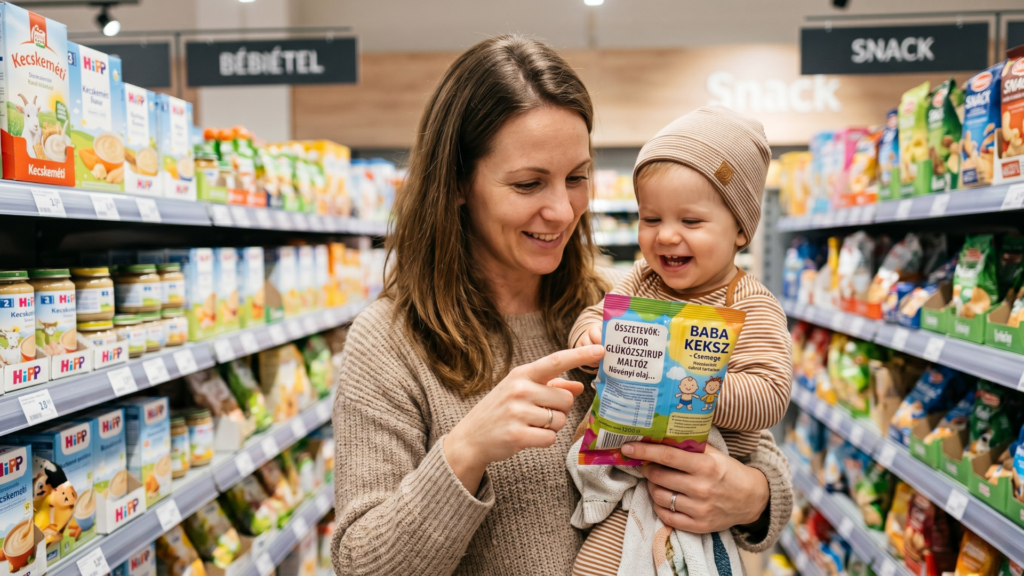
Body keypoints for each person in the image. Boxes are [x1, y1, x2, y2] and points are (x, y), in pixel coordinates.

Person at [330, 36, 792, 576]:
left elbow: (755, 451)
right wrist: (465, 451)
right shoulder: (389, 341)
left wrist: (754, 500)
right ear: (457, 183)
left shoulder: (622, 301)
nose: (561, 210)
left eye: (577, 178)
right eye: (528, 184)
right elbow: (359, 563)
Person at [568, 106, 792, 575]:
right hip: (631, 467)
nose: (667, 236)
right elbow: (594, 316)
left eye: (690, 222)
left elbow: (770, 395)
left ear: (741, 231)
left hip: (703, 478)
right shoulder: (640, 282)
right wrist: (592, 339)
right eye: (651, 219)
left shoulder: (750, 304)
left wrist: (689, 388)